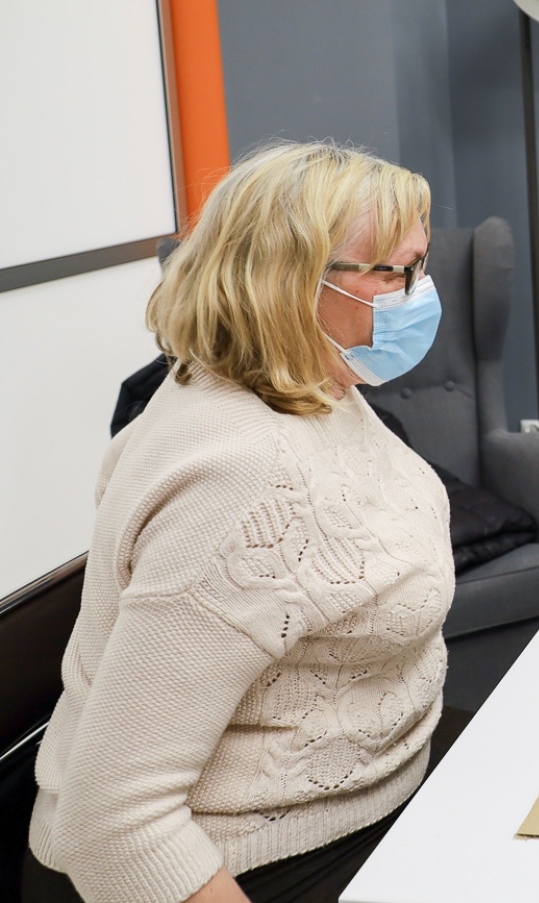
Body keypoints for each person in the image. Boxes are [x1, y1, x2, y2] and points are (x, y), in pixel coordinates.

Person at [22, 143, 460, 903]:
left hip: (374, 790)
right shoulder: (239, 475)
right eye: (395, 272)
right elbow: (114, 824)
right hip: (253, 859)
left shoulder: (313, 381)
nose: (417, 294)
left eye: (418, 266)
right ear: (291, 283)